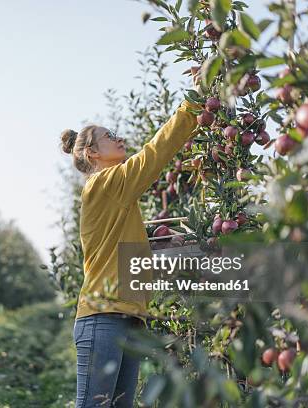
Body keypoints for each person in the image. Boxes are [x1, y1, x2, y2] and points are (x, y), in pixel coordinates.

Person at [60, 87, 200, 407]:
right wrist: (191, 107)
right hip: (103, 318)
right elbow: (156, 154)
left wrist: (161, 245)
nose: (119, 138)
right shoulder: (106, 182)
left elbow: (121, 248)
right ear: (92, 153)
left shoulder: (116, 194)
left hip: (129, 318)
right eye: (110, 136)